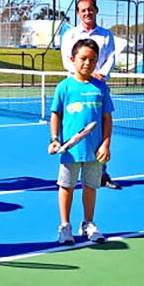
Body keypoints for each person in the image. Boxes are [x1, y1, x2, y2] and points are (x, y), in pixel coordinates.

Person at [49, 38, 114, 245]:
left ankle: (88, 223)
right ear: (72, 60)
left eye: (92, 60)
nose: (88, 63)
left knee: (90, 187)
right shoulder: (64, 87)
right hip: (70, 151)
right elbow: (56, 114)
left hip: (94, 152)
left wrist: (105, 144)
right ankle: (65, 226)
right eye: (83, 58)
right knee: (66, 187)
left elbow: (107, 118)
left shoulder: (100, 88)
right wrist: (54, 139)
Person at [60, 0, 121, 190]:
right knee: (76, 127)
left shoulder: (106, 35)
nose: (87, 13)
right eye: (83, 10)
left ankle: (102, 172)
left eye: (90, 9)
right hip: (76, 88)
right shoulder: (70, 35)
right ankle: (72, 169)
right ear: (78, 13)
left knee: (101, 127)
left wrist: (99, 75)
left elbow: (110, 57)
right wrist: (87, 73)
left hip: (99, 87)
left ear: (96, 11)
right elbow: (66, 61)